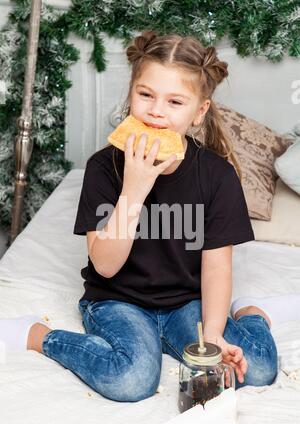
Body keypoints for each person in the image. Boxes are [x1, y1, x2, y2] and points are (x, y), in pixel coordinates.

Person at [2, 29, 297, 403]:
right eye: (146, 95)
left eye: (175, 101)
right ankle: (38, 336)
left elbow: (217, 268)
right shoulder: (102, 169)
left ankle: (253, 314)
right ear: (131, 94)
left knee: (257, 368)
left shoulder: (216, 175)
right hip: (117, 300)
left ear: (198, 112)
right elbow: (105, 266)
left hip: (187, 304)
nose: (157, 111)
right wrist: (134, 188)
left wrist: (217, 332)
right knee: (131, 381)